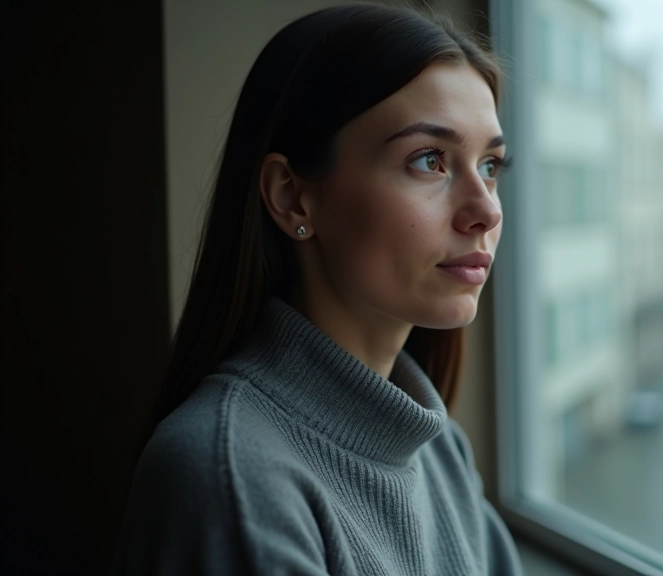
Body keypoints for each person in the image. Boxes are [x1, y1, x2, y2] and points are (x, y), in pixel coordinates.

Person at [113, 3, 522, 574]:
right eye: (429, 160)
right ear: (291, 195)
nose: (485, 210)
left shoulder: (440, 450)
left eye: (491, 165)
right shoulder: (228, 477)